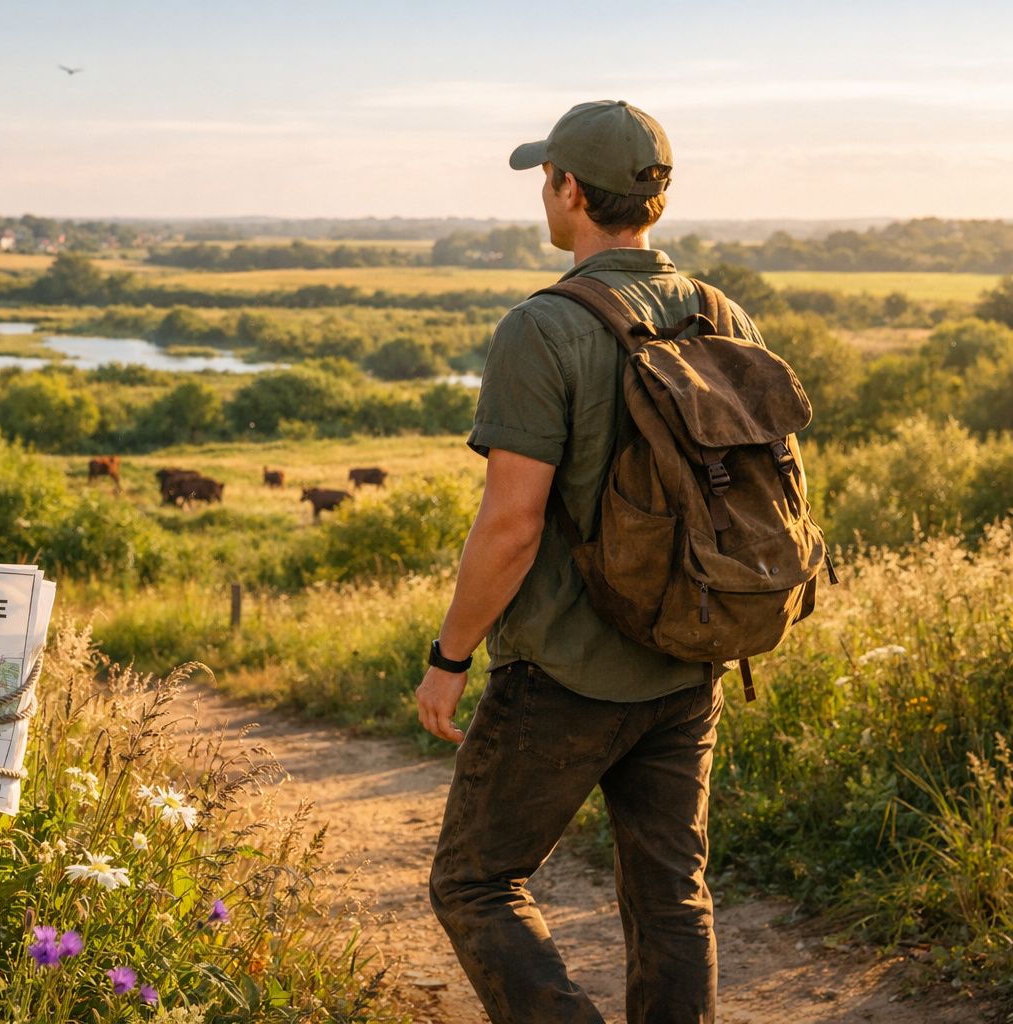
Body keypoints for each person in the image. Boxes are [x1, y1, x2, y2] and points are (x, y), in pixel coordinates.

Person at [420, 100, 760, 1024]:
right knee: (671, 897)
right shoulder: (721, 312)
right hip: (689, 657)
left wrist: (449, 659)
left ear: (569, 189)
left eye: (547, 177)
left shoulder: (544, 328)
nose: (544, 191)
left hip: (566, 671)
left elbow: (511, 526)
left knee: (476, 882)